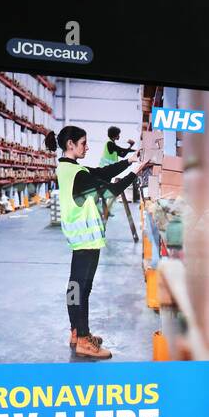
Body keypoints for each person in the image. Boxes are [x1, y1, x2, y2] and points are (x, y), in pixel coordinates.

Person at [49, 127, 153, 359]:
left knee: (76, 287)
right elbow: (111, 190)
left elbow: (102, 172)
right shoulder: (78, 174)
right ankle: (84, 340)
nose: (87, 147)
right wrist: (137, 171)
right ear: (70, 145)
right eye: (83, 143)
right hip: (86, 238)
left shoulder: (69, 168)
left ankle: (76, 333)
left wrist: (130, 159)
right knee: (81, 288)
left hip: (80, 238)